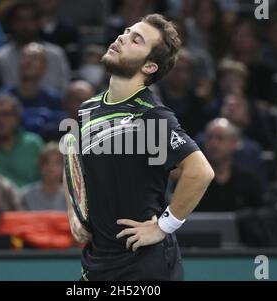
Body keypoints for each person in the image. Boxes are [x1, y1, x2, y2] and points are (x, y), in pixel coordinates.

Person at [67, 14, 214, 281]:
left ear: (149, 66)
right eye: (126, 31)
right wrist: (75, 215)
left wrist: (163, 227)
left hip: (143, 264)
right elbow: (76, 168)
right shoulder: (87, 109)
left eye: (137, 39)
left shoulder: (151, 114)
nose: (122, 37)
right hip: (97, 262)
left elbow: (200, 172)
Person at [21, 142, 66, 211]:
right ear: (40, 166)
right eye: (47, 162)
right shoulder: (26, 196)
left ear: (63, 167)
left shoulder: (71, 199)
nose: (51, 167)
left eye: (57, 163)